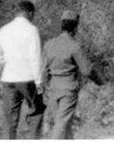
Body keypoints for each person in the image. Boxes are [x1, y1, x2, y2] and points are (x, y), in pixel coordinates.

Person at [41, 9, 103, 139]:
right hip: (68, 88)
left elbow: (43, 69)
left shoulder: (48, 45)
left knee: (64, 123)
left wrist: (45, 87)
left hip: (53, 88)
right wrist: (99, 81)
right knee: (62, 124)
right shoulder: (75, 46)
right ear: (75, 27)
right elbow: (86, 71)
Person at [0, 0, 45, 139]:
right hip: (27, 78)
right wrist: (39, 81)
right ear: (30, 13)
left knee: (9, 118)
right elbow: (35, 58)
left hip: (8, 78)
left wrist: (6, 62)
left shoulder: (4, 29)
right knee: (36, 111)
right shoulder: (31, 30)